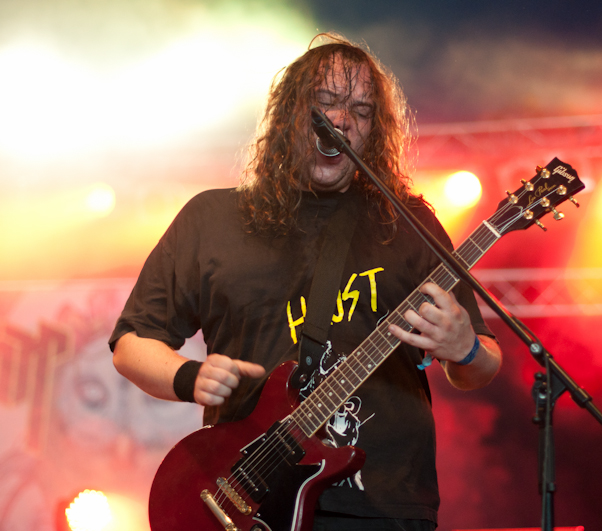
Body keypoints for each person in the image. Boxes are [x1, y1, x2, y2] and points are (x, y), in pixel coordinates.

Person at [109, 33, 502, 531]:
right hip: (249, 502)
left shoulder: (406, 222)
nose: (343, 119)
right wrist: (190, 377)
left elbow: (482, 364)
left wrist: (466, 348)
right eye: (326, 102)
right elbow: (132, 344)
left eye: (361, 110)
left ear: (373, 131)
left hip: (385, 505)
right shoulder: (212, 218)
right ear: (290, 114)